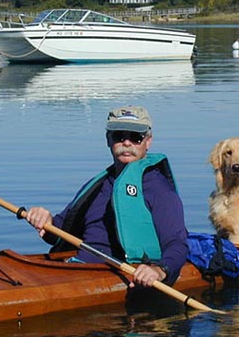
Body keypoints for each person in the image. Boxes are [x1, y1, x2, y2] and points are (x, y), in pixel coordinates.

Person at [25, 106, 188, 289]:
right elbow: (59, 232)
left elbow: (178, 243)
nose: (126, 143)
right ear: (108, 140)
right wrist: (45, 221)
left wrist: (159, 270)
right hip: (78, 269)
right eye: (119, 136)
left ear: (148, 141)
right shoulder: (96, 186)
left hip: (123, 273)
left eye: (135, 137)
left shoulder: (160, 190)